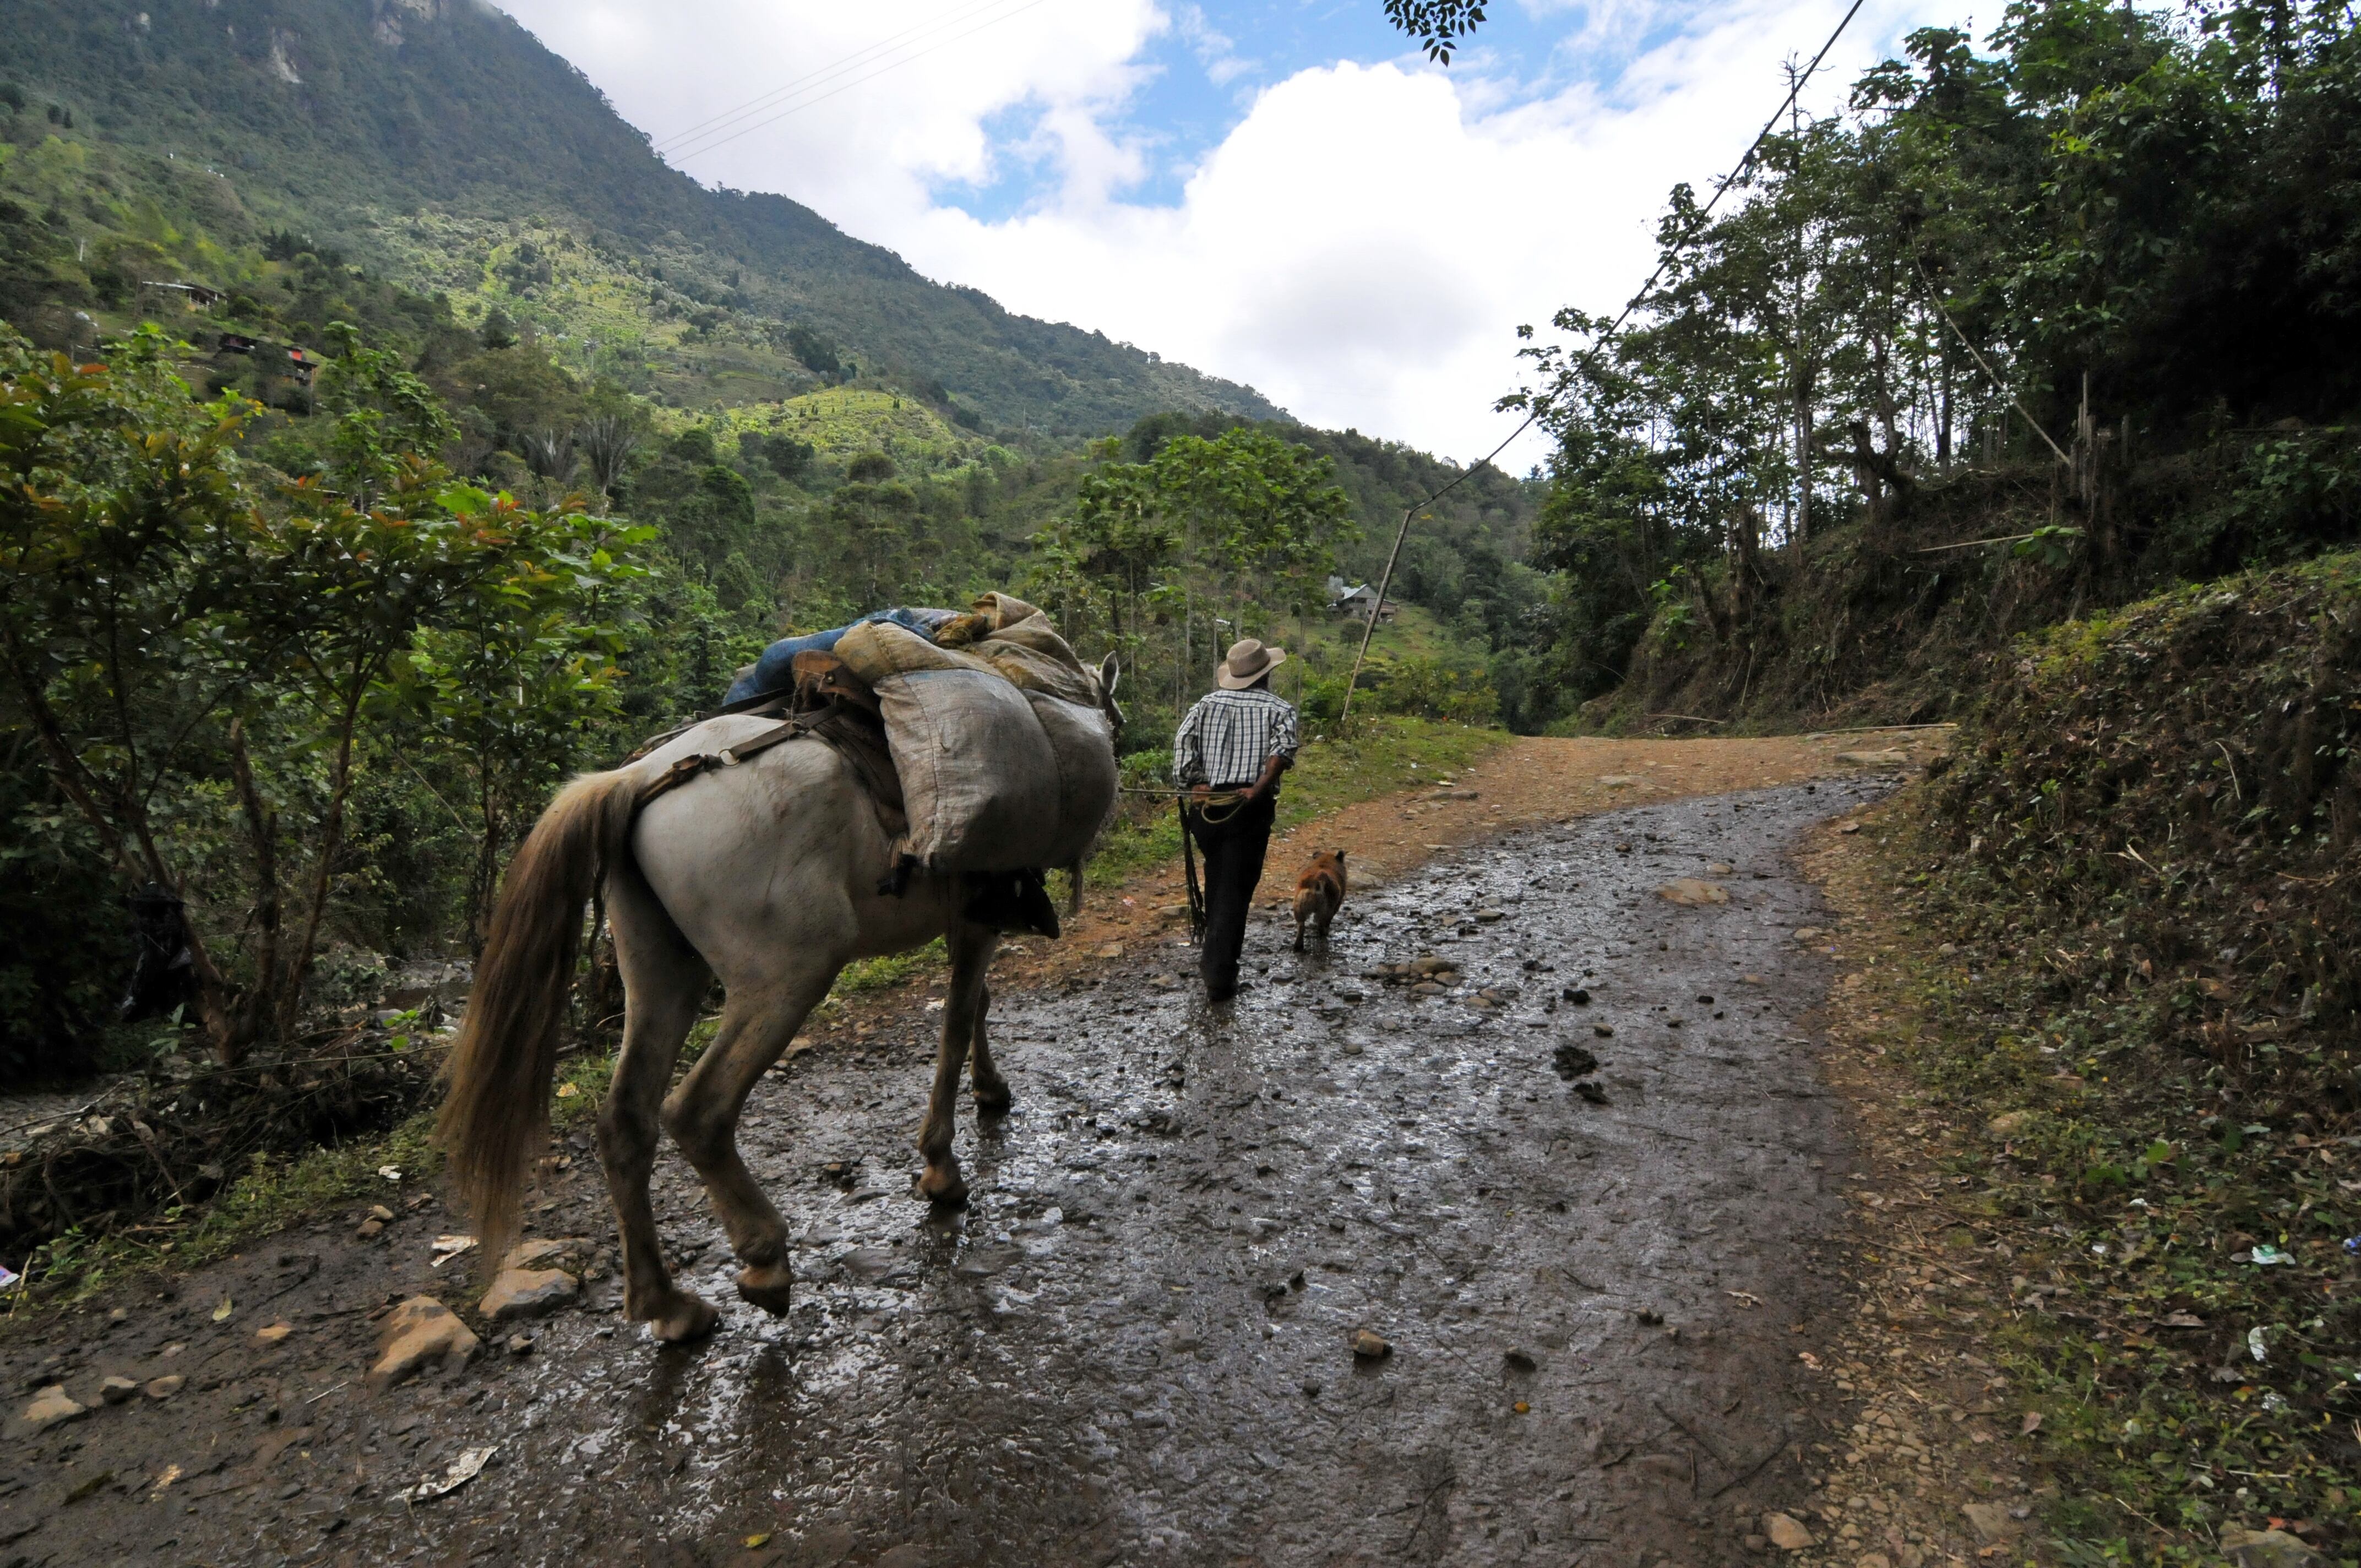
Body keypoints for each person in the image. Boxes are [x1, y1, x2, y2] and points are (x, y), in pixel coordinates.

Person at [1174, 638, 1299, 1001]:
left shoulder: (1204, 706)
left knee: (1219, 878)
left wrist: (1195, 782)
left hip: (1209, 809)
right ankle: (1219, 975)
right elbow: (1282, 752)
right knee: (1235, 889)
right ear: (1266, 675)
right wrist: (1261, 785)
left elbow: (1183, 752)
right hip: (1248, 807)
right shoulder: (1280, 709)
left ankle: (1217, 959)